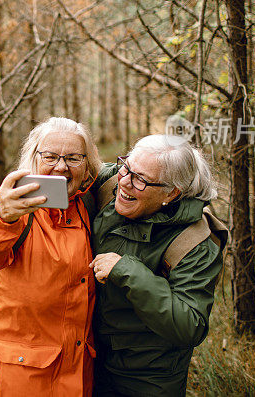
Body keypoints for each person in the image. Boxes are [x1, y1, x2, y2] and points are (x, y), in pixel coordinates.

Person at [0, 117, 102, 396]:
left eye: (73, 158)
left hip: (76, 371)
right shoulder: (16, 208)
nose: (61, 166)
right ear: (33, 159)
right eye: (50, 156)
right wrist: (3, 215)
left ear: (87, 165)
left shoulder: (87, 206)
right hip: (21, 376)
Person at [88, 134, 222, 396]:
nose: (124, 182)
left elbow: (190, 325)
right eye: (126, 167)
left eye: (141, 179)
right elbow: (64, 173)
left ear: (171, 192)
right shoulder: (111, 183)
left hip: (148, 376)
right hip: (90, 358)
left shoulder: (194, 242)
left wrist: (128, 271)